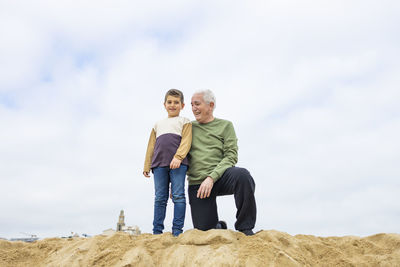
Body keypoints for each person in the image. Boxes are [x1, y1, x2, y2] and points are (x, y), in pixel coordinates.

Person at [187, 89, 256, 236]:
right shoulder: (188, 128)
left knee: (243, 176)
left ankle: (245, 227)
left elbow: (231, 155)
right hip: (198, 183)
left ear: (210, 105)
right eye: (192, 105)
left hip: (221, 176)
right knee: (206, 231)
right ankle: (218, 226)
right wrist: (175, 181)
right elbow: (180, 154)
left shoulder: (226, 126)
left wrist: (211, 177)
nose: (193, 108)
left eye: (197, 104)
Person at [143, 89, 192, 236]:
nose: (172, 105)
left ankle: (177, 231)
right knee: (160, 198)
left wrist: (178, 157)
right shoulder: (157, 124)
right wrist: (147, 164)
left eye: (176, 102)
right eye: (169, 102)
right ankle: (157, 231)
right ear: (164, 104)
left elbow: (186, 141)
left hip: (179, 163)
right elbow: (151, 145)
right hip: (159, 164)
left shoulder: (185, 121)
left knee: (178, 196)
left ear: (182, 105)